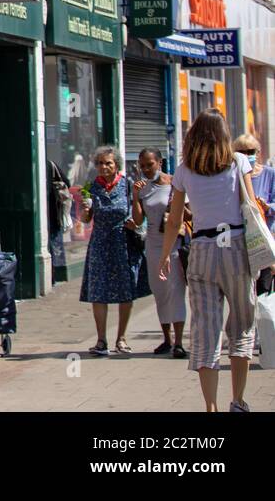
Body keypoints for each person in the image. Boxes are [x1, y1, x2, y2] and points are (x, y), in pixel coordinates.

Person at [160, 110, 264, 412]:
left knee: (206, 328)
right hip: (234, 246)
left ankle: (210, 406)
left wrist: (165, 254)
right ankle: (238, 400)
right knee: (242, 324)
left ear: (193, 135)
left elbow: (175, 219)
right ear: (224, 135)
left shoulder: (183, 170)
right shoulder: (239, 162)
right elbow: (252, 205)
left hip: (202, 248)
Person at [78, 146, 150, 355]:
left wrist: (135, 223)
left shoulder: (127, 185)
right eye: (100, 163)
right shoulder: (91, 187)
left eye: (108, 163)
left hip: (123, 241)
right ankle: (101, 340)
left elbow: (139, 213)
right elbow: (86, 219)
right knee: (98, 291)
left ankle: (122, 338)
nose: (104, 167)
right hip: (100, 241)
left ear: (116, 164)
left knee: (125, 290)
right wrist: (85, 211)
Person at [132, 147, 187, 358]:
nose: (146, 169)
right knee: (160, 291)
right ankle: (167, 339)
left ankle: (180, 342)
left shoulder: (175, 183)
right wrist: (136, 196)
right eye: (142, 166)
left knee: (176, 290)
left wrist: (177, 211)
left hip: (173, 243)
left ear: (160, 162)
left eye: (150, 164)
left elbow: (190, 214)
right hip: (153, 244)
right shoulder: (142, 188)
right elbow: (138, 220)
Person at [234, 133, 275, 296]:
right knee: (244, 290)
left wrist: (267, 206)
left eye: (250, 151)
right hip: (240, 239)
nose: (246, 156)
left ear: (258, 152)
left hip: (265, 237)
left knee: (263, 288)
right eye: (241, 152)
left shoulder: (270, 174)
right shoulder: (233, 176)